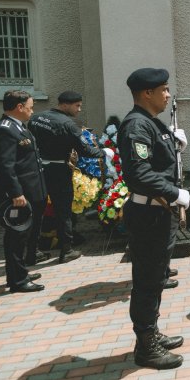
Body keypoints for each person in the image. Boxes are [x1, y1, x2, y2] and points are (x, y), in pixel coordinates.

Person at [118, 68, 190, 369]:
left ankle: (152, 332)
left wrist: (174, 144)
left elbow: (157, 162)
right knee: (147, 281)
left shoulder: (151, 123)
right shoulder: (137, 125)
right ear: (147, 93)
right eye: (163, 89)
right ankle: (146, 346)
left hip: (159, 212)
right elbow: (140, 173)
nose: (168, 94)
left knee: (157, 277)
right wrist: (176, 194)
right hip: (149, 213)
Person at [29, 91, 114, 263]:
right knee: (63, 211)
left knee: (37, 211)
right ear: (65, 105)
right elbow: (85, 150)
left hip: (37, 169)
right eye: (77, 105)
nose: (79, 109)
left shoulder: (36, 118)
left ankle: (32, 252)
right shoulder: (68, 124)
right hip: (59, 170)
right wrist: (104, 152)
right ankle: (66, 250)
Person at [0, 90, 47, 292]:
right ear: (19, 107)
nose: (33, 111)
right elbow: (5, 166)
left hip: (29, 190)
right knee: (16, 237)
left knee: (23, 235)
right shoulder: (4, 130)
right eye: (30, 107)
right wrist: (15, 193)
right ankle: (18, 281)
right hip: (18, 195)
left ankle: (19, 272)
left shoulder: (18, 126)